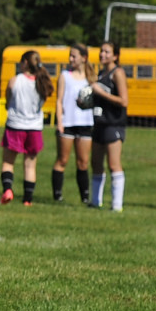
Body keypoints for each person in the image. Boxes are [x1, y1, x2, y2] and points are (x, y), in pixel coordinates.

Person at [0, 49, 54, 205]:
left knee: (8, 162)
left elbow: (8, 99)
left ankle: (8, 190)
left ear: (24, 63)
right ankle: (27, 200)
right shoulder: (42, 83)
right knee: (30, 166)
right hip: (34, 128)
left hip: (15, 125)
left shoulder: (15, 80)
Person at [49, 44, 95, 204]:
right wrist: (60, 122)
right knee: (62, 160)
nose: (71, 59)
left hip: (85, 123)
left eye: (74, 56)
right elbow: (59, 100)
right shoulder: (65, 76)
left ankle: (85, 197)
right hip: (68, 122)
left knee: (83, 162)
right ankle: (57, 195)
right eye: (70, 55)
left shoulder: (91, 78)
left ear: (84, 58)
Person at [89, 41, 129, 211]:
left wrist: (101, 92)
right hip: (99, 122)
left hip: (113, 123)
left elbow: (124, 101)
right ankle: (95, 201)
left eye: (106, 52)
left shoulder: (117, 73)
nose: (102, 54)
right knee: (96, 163)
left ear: (115, 56)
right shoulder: (100, 73)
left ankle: (116, 205)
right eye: (101, 51)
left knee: (113, 164)